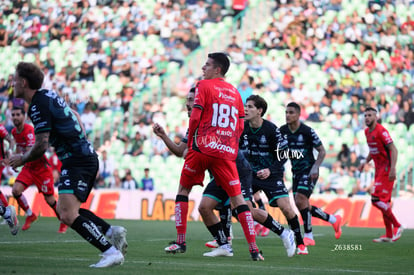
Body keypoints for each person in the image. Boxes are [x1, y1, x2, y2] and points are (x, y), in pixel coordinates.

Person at [9, 62, 127, 268]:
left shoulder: (37, 105)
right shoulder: (48, 95)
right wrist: (82, 140)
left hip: (77, 161)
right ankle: (111, 231)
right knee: (71, 211)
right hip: (82, 157)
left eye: (15, 79)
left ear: (24, 82)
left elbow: (41, 144)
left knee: (66, 214)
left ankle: (110, 252)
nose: (12, 82)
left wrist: (22, 158)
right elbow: (76, 115)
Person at [154, 88, 295, 259]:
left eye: (192, 100)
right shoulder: (194, 125)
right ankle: (224, 244)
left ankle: (282, 234)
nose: (188, 104)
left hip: (236, 169)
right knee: (205, 207)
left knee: (245, 209)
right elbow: (179, 151)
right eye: (187, 100)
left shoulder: (218, 119)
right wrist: (163, 136)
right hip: (219, 169)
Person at [162, 53, 262, 260]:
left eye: (206, 65)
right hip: (225, 152)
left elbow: (196, 116)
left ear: (217, 69)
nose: (203, 68)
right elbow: (241, 125)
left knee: (183, 190)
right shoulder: (235, 93)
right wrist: (230, 145)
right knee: (239, 201)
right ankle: (253, 250)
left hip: (203, 148)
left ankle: (180, 242)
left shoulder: (203, 86)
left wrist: (193, 141)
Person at [239, 95, 308, 255]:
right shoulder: (242, 128)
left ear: (259, 111)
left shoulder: (271, 129)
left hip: (272, 175)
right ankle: (224, 240)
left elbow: (283, 154)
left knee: (286, 208)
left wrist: (270, 170)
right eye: (245, 106)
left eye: (250, 107)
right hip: (250, 175)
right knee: (243, 208)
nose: (246, 109)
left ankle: (300, 242)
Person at [280, 102, 343, 246]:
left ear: (298, 115)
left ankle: (309, 235)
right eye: (286, 112)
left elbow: (322, 151)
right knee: (300, 203)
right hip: (295, 171)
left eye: (291, 112)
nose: (288, 115)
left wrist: (315, 167)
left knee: (300, 199)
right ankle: (333, 220)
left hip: (309, 170)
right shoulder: (282, 131)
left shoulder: (307, 131)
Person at [9, 106, 68, 233]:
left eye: (18, 114)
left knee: (50, 200)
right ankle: (30, 214)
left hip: (41, 168)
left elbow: (31, 151)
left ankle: (63, 221)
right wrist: (15, 162)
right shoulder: (14, 132)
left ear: (24, 116)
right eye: (13, 115)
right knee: (15, 190)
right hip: (29, 167)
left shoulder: (29, 130)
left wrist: (20, 159)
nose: (15, 117)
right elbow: (20, 149)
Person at [359, 107, 403, 243]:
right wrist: (365, 162)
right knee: (384, 202)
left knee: (376, 200)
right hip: (378, 170)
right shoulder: (367, 132)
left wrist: (393, 168)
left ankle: (397, 225)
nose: (367, 117)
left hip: (386, 169)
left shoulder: (381, 131)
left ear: (376, 117)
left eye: (370, 115)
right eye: (365, 115)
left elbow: (393, 149)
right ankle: (389, 235)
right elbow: (373, 150)